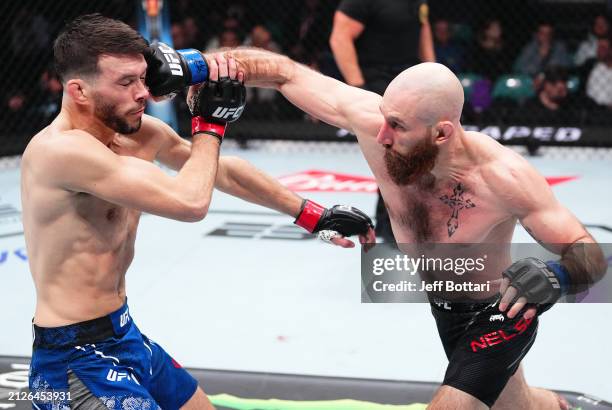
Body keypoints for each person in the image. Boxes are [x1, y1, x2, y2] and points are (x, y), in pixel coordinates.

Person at [213, 47, 606, 409]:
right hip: (445, 307)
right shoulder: (379, 127)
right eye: (385, 118)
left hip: (499, 310)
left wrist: (555, 274)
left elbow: (587, 253)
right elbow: (283, 73)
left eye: (397, 126)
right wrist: (191, 67)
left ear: (442, 133)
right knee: (514, 405)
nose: (381, 135)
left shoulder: (502, 177)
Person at [22, 14, 374, 410]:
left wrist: (312, 214)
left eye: (142, 78)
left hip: (125, 336)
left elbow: (218, 171)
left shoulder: (139, 134)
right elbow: (189, 203)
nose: (142, 93)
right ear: (78, 91)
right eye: (125, 82)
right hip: (71, 361)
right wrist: (208, 125)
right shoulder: (61, 151)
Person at [329, 0, 435, 244]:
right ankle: (391, 227)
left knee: (420, 154)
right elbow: (340, 37)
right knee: (396, 156)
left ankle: (406, 224)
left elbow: (423, 27)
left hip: (411, 81)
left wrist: (433, 71)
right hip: (378, 82)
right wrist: (358, 88)